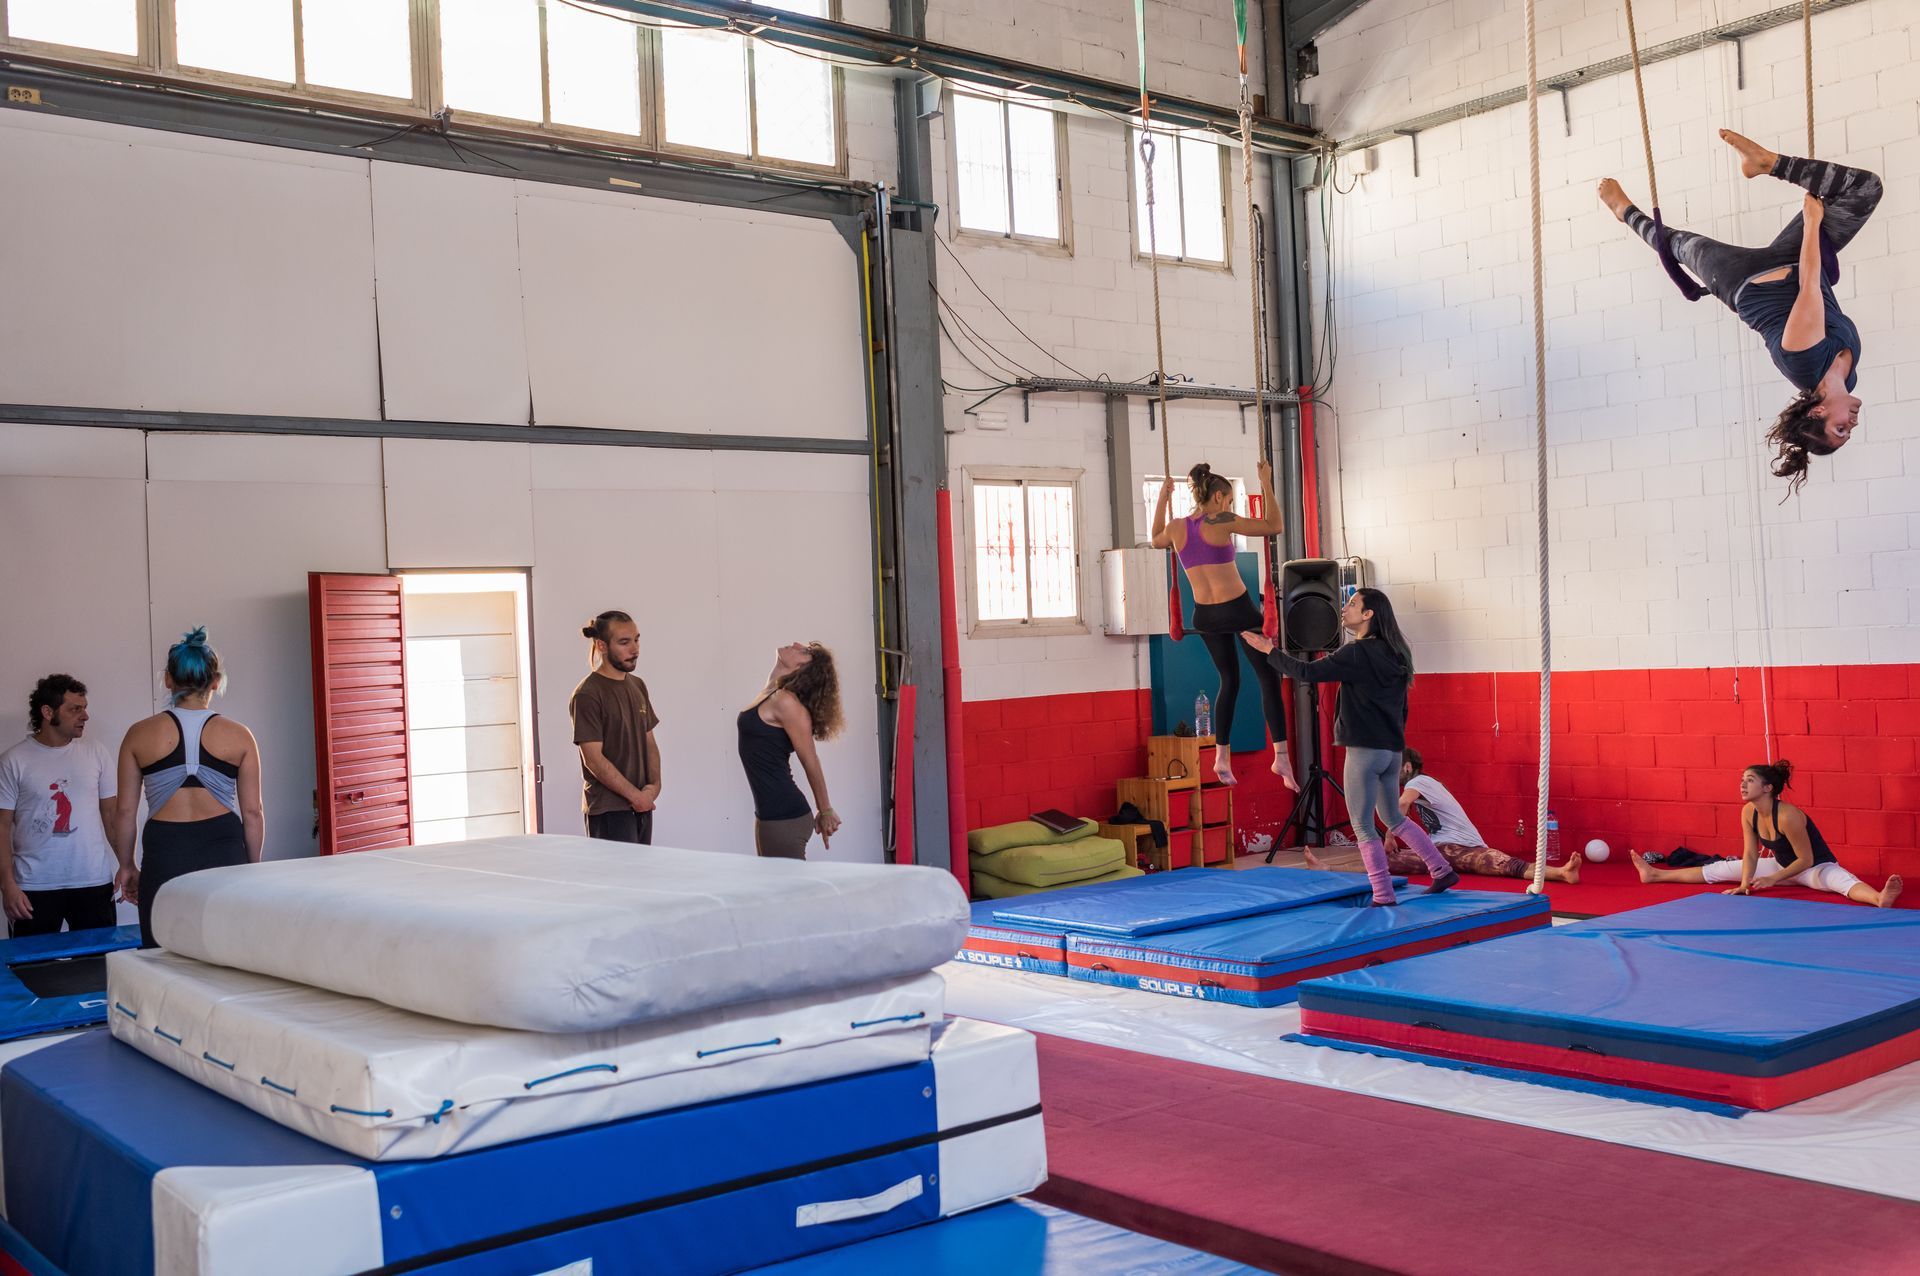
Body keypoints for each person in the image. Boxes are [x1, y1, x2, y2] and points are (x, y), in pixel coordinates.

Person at [1599, 130, 1879, 493]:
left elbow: (1811, 285)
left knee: (1677, 245)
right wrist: (1817, 231)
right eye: (1848, 433)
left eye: (1840, 429)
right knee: (1864, 189)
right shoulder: (1849, 377)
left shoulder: (1803, 362)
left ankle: (1624, 211)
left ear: (1818, 412)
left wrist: (1813, 223)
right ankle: (1767, 163)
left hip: (1739, 278)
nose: (1852, 425)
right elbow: (1818, 287)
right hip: (1794, 261)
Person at [1242, 588, 1454, 906]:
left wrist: (1268, 650)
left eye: (1353, 604)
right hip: (1392, 751)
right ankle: (1440, 868)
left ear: (1369, 615)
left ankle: (1383, 894)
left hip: (1364, 751)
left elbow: (1306, 672)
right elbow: (1403, 709)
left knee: (1363, 824)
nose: (1345, 608)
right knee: (1392, 818)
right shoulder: (1397, 654)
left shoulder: (1357, 652)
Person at [112, 630, 263, 948]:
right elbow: (253, 812)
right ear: (216, 680)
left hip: (166, 848)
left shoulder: (139, 734)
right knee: (226, 949)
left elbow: (124, 811)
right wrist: (253, 867)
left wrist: (126, 866)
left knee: (162, 951)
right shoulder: (239, 735)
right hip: (222, 845)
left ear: (168, 680)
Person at [1150, 460, 1294, 789]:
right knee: (1268, 675)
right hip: (1239, 611)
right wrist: (1266, 482)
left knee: (1228, 680)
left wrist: (1162, 496)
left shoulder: (1176, 527)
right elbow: (1274, 525)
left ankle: (1221, 758)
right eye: (1229, 501)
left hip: (1205, 615)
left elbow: (1155, 538)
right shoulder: (1221, 519)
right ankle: (1281, 756)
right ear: (1218, 497)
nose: (1230, 507)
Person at [1631, 760, 1902, 907]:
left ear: (1769, 788)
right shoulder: (1748, 812)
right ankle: (1655, 874)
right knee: (1721, 869)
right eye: (1741, 780)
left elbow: (1806, 860)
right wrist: (1744, 883)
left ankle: (1878, 898)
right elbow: (1750, 853)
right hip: (1782, 867)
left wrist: (1773, 879)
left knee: (1840, 881)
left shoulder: (1788, 815)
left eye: (1750, 781)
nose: (1742, 785)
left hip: (1814, 867)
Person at [0, 675, 129, 937]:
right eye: (75, 709)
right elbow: (1, 827)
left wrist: (127, 865)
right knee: (32, 973)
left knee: (97, 967)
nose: (85, 716)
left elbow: (111, 815)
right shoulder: (14, 760)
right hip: (34, 887)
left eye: (84, 708)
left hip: (93, 881)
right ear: (47, 712)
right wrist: (8, 885)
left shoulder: (96, 753)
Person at [1392, 748, 1578, 885]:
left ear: (1407, 767)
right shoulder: (1427, 783)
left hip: (1451, 847)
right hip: (1458, 847)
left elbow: (1401, 804)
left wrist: (1389, 836)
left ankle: (1562, 872)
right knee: (1505, 865)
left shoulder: (1419, 781)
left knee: (1383, 861)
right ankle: (1561, 873)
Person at [737, 641, 844, 860]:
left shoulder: (786, 702)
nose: (796, 644)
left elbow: (810, 759)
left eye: (804, 651)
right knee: (775, 889)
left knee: (787, 893)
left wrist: (824, 811)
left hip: (784, 817)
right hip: (770, 816)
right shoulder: (772, 691)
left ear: (803, 669)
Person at [571, 610, 662, 845]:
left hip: (641, 806)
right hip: (608, 811)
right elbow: (593, 759)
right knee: (616, 881)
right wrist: (636, 796)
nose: (635, 649)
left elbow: (649, 742)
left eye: (636, 639)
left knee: (640, 879)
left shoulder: (637, 685)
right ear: (602, 645)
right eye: (624, 642)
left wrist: (654, 787)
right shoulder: (588, 694)